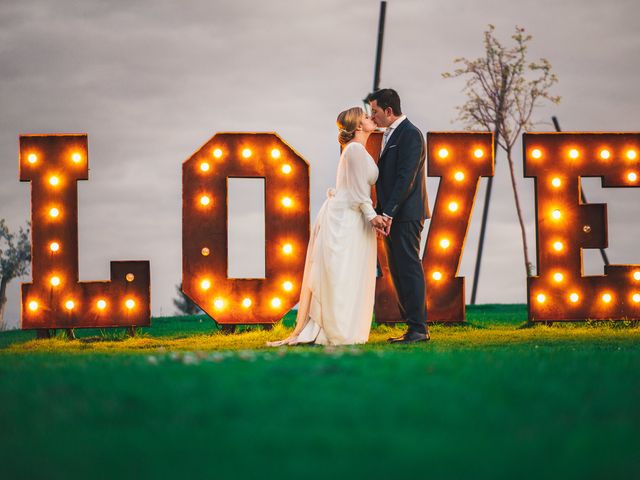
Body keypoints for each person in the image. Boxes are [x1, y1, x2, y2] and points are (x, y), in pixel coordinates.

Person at [267, 106, 388, 346]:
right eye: (365, 117)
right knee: (342, 273)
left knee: (350, 272)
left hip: (354, 218)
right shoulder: (354, 149)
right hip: (347, 219)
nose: (370, 118)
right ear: (357, 126)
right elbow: (356, 189)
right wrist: (372, 216)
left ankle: (345, 326)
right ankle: (336, 328)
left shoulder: (358, 150)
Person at [366, 88, 431, 343]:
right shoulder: (391, 134)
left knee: (409, 268)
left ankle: (418, 329)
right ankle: (412, 327)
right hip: (393, 216)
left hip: (406, 215)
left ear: (388, 111)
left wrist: (389, 212)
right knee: (397, 270)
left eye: (375, 112)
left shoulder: (410, 135)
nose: (373, 117)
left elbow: (407, 177)